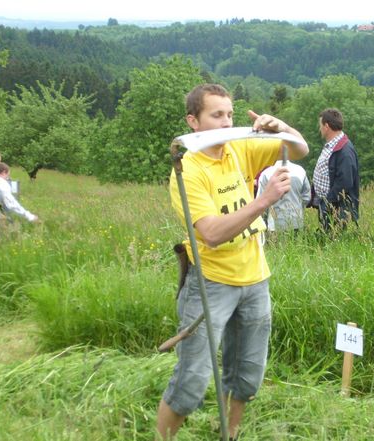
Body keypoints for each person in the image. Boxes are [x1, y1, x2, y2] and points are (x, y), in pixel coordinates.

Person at [157, 83, 309, 441]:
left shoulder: (239, 151)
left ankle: (230, 435)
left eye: (230, 114)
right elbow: (209, 232)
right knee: (191, 381)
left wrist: (281, 127)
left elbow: (300, 149)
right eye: (216, 115)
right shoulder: (189, 170)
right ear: (192, 121)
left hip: (255, 280)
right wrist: (263, 201)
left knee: (246, 376)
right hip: (211, 284)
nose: (227, 123)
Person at [312, 108, 359, 232]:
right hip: (329, 205)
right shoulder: (333, 145)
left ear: (326, 126)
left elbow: (345, 182)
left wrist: (328, 201)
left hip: (337, 208)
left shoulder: (345, 150)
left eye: (320, 125)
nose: (319, 129)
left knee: (333, 239)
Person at [256, 159, 311, 233]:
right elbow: (306, 197)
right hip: (297, 222)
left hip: (274, 225)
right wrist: (298, 210)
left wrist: (264, 222)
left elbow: (260, 203)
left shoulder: (266, 173)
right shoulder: (300, 170)